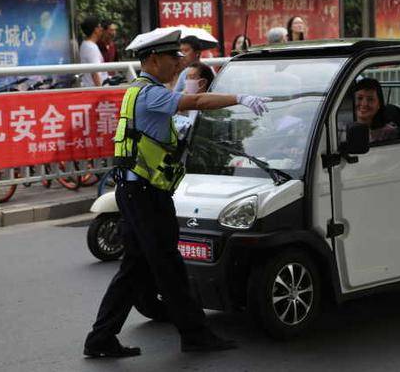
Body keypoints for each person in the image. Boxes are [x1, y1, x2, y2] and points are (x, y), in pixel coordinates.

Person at [83, 28, 271, 358]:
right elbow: (196, 100)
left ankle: (101, 338)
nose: (177, 65)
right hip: (146, 195)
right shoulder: (152, 93)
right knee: (168, 265)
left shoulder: (137, 90)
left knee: (134, 268)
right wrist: (239, 98)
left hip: (134, 190)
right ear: (153, 59)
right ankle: (195, 334)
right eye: (173, 58)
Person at [353, 78, 399, 143]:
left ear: (379, 104)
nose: (364, 104)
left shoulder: (388, 133)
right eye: (359, 98)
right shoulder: (341, 129)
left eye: (370, 99)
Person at [79, 16, 107, 86]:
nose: (101, 29)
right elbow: (95, 73)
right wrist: (101, 91)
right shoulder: (91, 47)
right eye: (99, 26)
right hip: (97, 89)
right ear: (95, 30)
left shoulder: (86, 44)